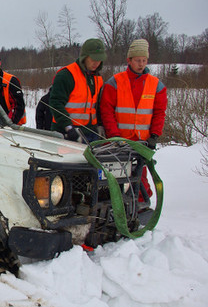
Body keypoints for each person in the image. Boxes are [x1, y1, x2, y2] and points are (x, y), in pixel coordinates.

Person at [99, 38, 167, 203]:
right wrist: (114, 135)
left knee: (140, 175)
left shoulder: (156, 86)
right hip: (118, 142)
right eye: (137, 60)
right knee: (116, 176)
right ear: (129, 60)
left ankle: (142, 203)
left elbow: (159, 112)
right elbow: (106, 111)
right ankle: (116, 204)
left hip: (142, 143)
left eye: (144, 60)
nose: (141, 64)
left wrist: (154, 135)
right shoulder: (114, 83)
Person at [49, 38, 106, 142]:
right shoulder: (66, 75)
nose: (96, 63)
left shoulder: (98, 78)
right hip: (67, 134)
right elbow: (55, 103)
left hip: (91, 133)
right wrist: (68, 128)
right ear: (84, 57)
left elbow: (97, 106)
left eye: (99, 59)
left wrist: (100, 125)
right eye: (93, 59)